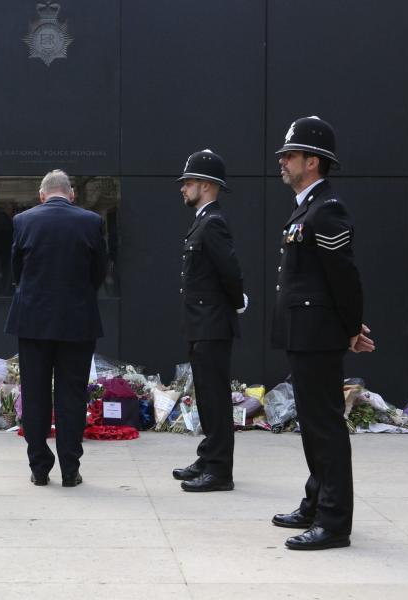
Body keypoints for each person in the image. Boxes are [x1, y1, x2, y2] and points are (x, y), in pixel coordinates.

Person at [270, 116, 374, 550]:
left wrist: (351, 328)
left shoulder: (327, 208)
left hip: (319, 334)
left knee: (325, 426)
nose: (282, 162)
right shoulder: (306, 207)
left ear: (313, 162)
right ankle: (316, 501)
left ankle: (334, 521)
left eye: (290, 156)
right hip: (305, 332)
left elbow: (343, 276)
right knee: (313, 426)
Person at [5, 169, 107, 487]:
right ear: (71, 194)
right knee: (71, 396)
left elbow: (16, 270)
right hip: (77, 321)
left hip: (33, 321)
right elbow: (100, 271)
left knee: (34, 395)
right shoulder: (91, 221)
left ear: (42, 195)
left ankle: (39, 467)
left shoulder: (23, 221)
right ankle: (69, 468)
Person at [172, 150, 247, 492]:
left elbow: (230, 271)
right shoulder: (203, 220)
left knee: (215, 397)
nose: (183, 188)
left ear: (205, 184)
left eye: (188, 182)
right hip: (202, 322)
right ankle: (208, 456)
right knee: (206, 395)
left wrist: (237, 303)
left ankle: (219, 471)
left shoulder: (213, 222)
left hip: (213, 323)